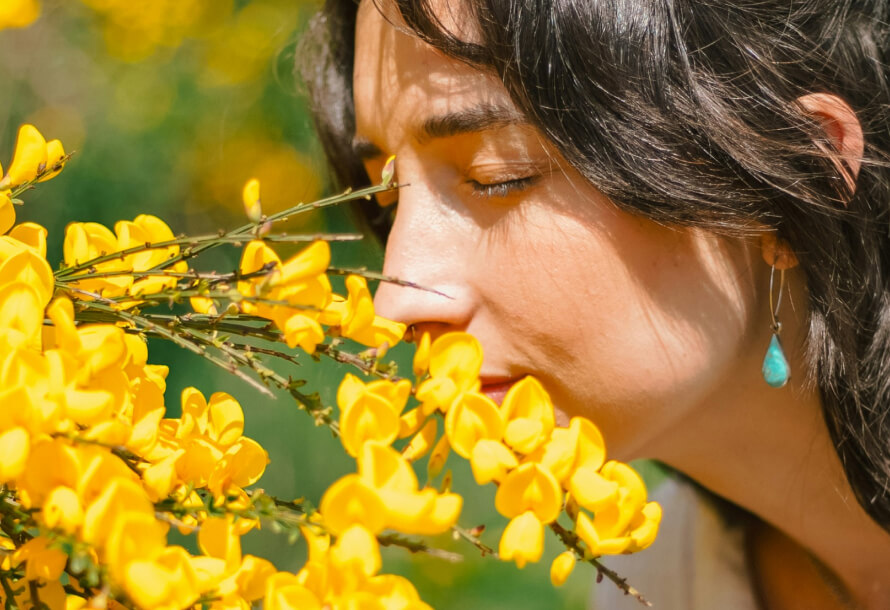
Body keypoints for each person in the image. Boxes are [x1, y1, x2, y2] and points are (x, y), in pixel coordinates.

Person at [298, 0, 890, 607]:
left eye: (498, 174)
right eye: (388, 202)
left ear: (795, 178)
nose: (392, 300)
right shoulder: (657, 582)